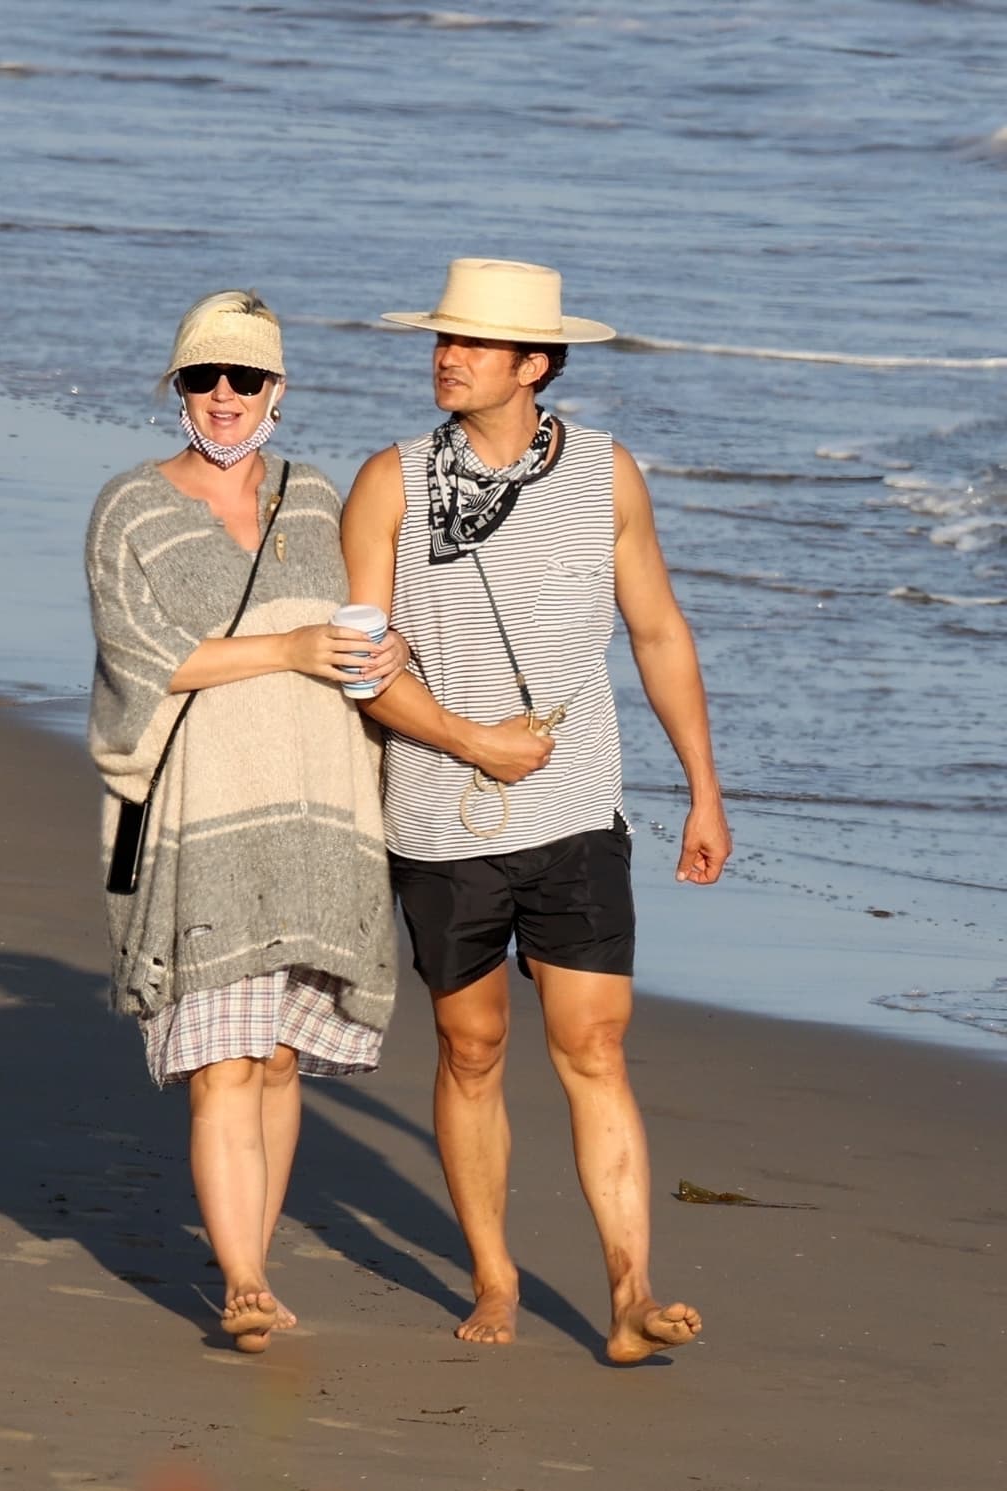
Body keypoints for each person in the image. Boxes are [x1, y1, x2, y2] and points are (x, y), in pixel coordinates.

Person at [341, 257, 731, 1363]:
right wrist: (469, 740)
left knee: (593, 1044)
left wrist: (702, 790)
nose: (443, 358)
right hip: (439, 808)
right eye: (439, 340)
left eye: (468, 344)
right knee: (471, 1049)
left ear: (534, 364)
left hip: (574, 808)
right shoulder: (390, 482)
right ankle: (495, 1277)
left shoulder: (607, 476)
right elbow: (358, 661)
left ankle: (626, 1293)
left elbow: (657, 633)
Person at [85, 289, 401, 1352]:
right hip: (202, 814)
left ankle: (250, 1270)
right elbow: (146, 660)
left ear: (278, 390)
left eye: (244, 379)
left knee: (273, 1062)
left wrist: (386, 658)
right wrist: (288, 651)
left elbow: (364, 628)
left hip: (317, 811)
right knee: (219, 1060)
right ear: (174, 390)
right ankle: (246, 1279)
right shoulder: (128, 507)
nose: (223, 398)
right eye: (202, 379)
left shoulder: (316, 497)